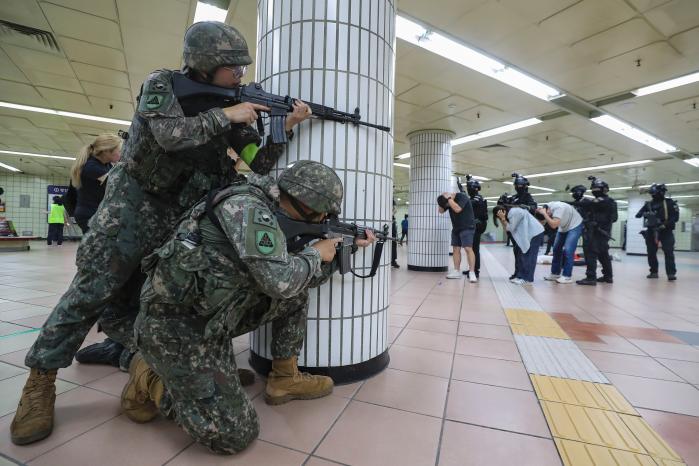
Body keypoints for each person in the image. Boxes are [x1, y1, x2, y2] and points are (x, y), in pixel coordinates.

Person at [10, 21, 313, 446]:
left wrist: (288, 126)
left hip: (182, 218)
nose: (240, 75)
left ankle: (155, 364)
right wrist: (224, 114)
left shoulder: (233, 105)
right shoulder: (164, 84)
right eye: (232, 68)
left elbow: (257, 161)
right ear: (205, 65)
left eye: (243, 68)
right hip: (131, 210)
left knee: (171, 295)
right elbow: (168, 135)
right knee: (90, 292)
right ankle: (40, 383)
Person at [121, 161, 375, 455]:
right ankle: (147, 374)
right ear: (307, 206)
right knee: (234, 435)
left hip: (212, 317)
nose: (322, 220)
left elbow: (300, 281)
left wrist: (348, 247)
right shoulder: (246, 209)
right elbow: (282, 281)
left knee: (296, 295)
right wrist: (315, 254)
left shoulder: (271, 208)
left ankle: (284, 377)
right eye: (322, 215)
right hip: (176, 327)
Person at [70, 134, 123, 233]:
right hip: (89, 213)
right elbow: (119, 183)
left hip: (96, 211)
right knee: (96, 247)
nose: (120, 154)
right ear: (107, 150)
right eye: (119, 151)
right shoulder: (92, 167)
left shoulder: (106, 165)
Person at [576, 177, 617, 286]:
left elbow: (614, 218)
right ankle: (608, 277)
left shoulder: (608, 202)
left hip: (599, 231)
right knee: (603, 255)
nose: (594, 191)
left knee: (591, 254)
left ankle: (591, 277)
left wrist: (598, 222)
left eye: (596, 189)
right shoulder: (600, 203)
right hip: (599, 232)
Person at [636, 183, 679, 280]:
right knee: (651, 252)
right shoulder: (649, 204)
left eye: (655, 193)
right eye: (652, 193)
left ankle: (671, 273)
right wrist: (646, 213)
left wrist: (664, 225)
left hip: (666, 231)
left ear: (662, 192)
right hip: (652, 231)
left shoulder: (670, 203)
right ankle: (654, 272)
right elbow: (638, 215)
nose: (653, 195)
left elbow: (675, 218)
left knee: (668, 252)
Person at [493, 205, 544, 285]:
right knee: (522, 255)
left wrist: (503, 218)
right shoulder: (511, 214)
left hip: (535, 233)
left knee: (529, 256)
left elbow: (511, 228)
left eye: (499, 215)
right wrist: (503, 219)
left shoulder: (514, 212)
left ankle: (527, 279)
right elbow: (507, 229)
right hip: (529, 234)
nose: (500, 218)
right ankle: (521, 276)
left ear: (503, 211)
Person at [539, 201, 583, 284]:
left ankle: (567, 276)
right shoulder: (548, 208)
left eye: (548, 215)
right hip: (563, 227)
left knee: (568, 250)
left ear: (547, 210)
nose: (549, 217)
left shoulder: (559, 208)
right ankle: (555, 273)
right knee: (556, 249)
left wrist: (544, 214)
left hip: (575, 225)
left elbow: (553, 225)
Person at [438, 190, 477, 282]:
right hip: (456, 228)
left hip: (467, 226)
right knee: (455, 249)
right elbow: (441, 211)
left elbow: (457, 209)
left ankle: (472, 272)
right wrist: (441, 202)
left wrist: (449, 198)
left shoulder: (462, 196)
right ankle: (456, 271)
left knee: (468, 248)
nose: (447, 207)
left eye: (447, 205)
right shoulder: (448, 201)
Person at [509, 174, 537, 280]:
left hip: (525, 228)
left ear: (525, 186)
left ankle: (523, 274)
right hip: (515, 228)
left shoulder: (528, 196)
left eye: (520, 185)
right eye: (516, 185)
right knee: (516, 252)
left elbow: (534, 207)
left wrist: (527, 207)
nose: (518, 187)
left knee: (523, 253)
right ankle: (517, 272)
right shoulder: (514, 197)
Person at [464, 176, 488, 279]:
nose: (469, 190)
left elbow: (469, 203)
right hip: (474, 226)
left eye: (470, 188)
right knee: (471, 249)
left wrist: (462, 194)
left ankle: (475, 270)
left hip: (478, 226)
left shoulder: (478, 198)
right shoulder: (474, 198)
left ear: (476, 188)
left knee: (474, 249)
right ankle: (471, 268)